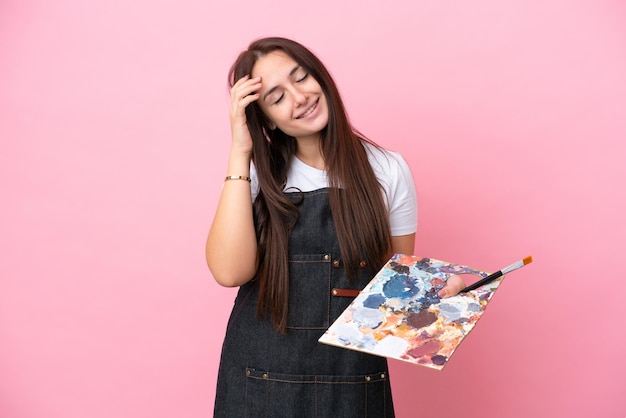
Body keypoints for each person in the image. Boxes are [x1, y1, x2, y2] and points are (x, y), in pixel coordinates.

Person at [206, 37, 467, 417]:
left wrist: (441, 294)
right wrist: (240, 152)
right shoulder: (254, 176)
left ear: (320, 76)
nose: (299, 97)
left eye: (301, 77)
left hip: (351, 382)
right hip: (258, 381)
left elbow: (390, 288)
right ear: (266, 122)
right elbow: (230, 272)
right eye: (277, 98)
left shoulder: (388, 170)